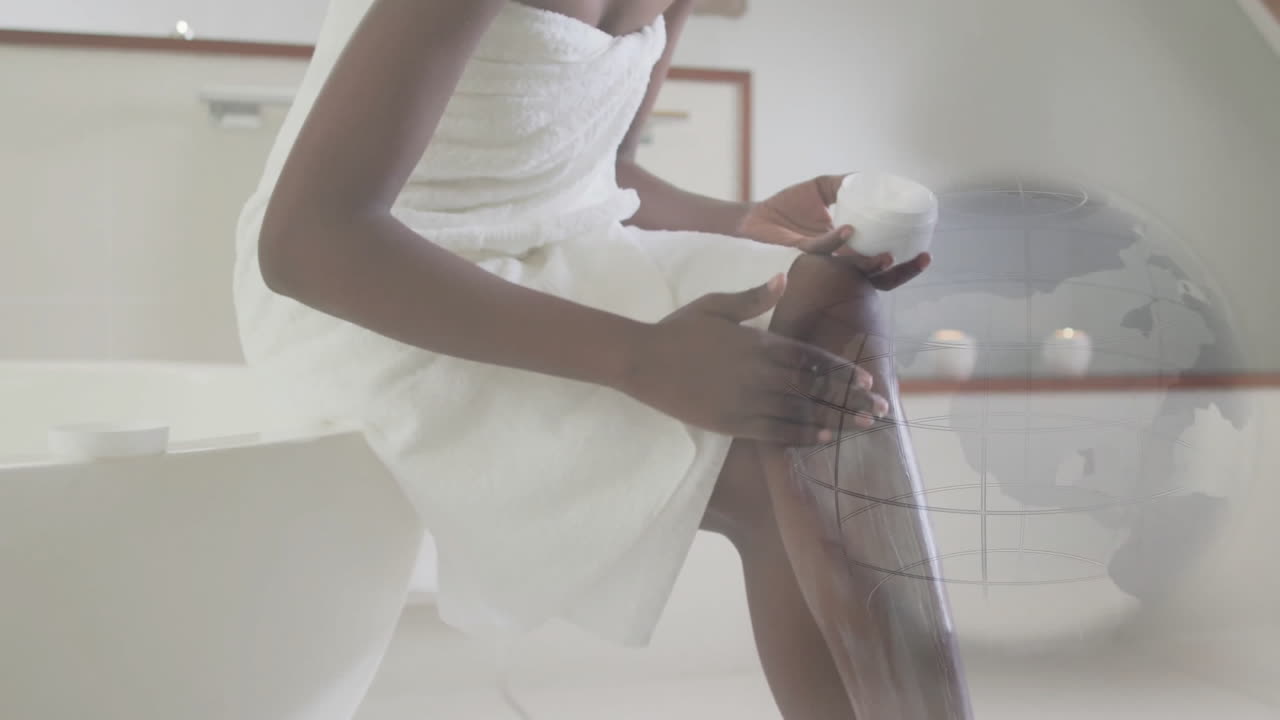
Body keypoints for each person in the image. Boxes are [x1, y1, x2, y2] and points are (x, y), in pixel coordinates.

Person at [232, 1, 971, 717]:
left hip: (563, 250)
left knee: (830, 308)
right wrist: (641, 359)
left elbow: (606, 168)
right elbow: (307, 243)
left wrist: (745, 224)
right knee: (776, 458)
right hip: (377, 291)